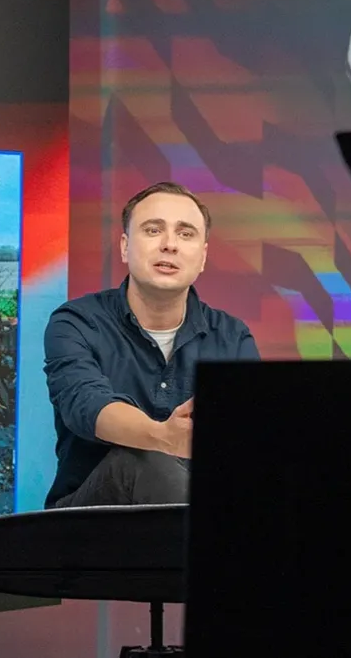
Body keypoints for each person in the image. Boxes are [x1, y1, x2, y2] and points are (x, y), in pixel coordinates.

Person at [43, 181, 259, 509]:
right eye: (153, 230)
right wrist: (165, 436)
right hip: (89, 520)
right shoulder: (76, 321)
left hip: (199, 514)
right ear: (125, 247)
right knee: (142, 460)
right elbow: (85, 403)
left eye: (185, 233)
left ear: (202, 257)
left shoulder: (232, 337)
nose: (169, 245)